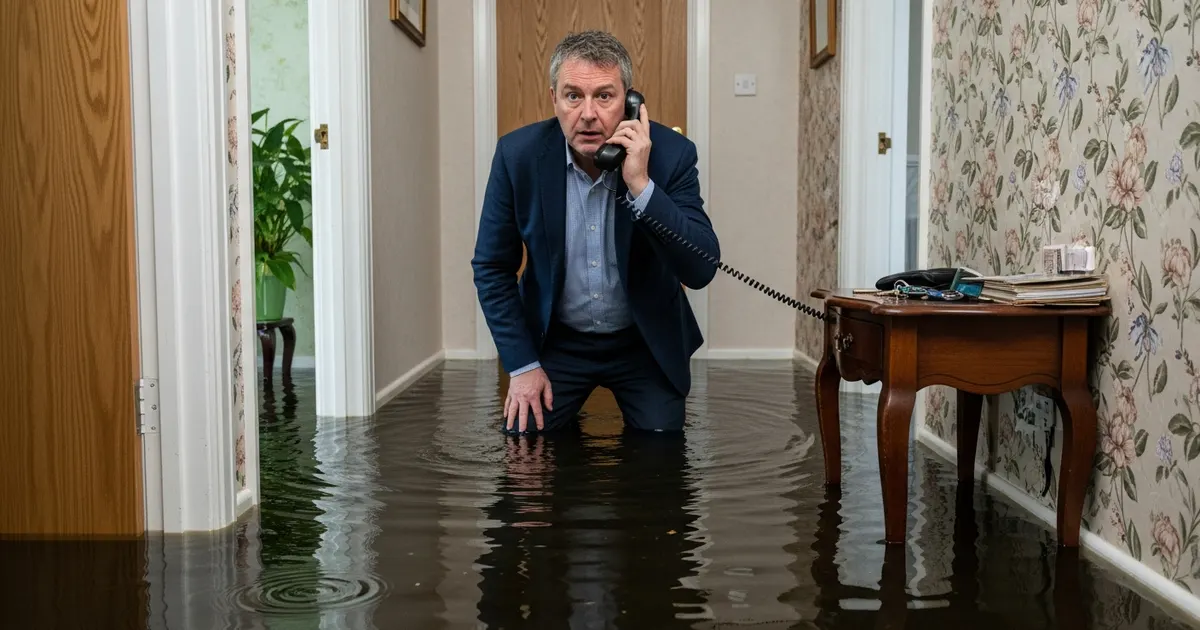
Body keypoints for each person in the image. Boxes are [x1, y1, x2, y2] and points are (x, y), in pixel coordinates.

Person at [472, 30, 720, 435]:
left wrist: (641, 184)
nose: (587, 113)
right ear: (554, 98)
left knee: (660, 459)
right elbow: (491, 267)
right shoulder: (517, 155)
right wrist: (522, 365)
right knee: (525, 444)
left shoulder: (672, 155)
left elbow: (701, 269)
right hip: (556, 340)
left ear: (629, 102)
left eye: (604, 96)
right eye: (573, 96)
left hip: (645, 341)